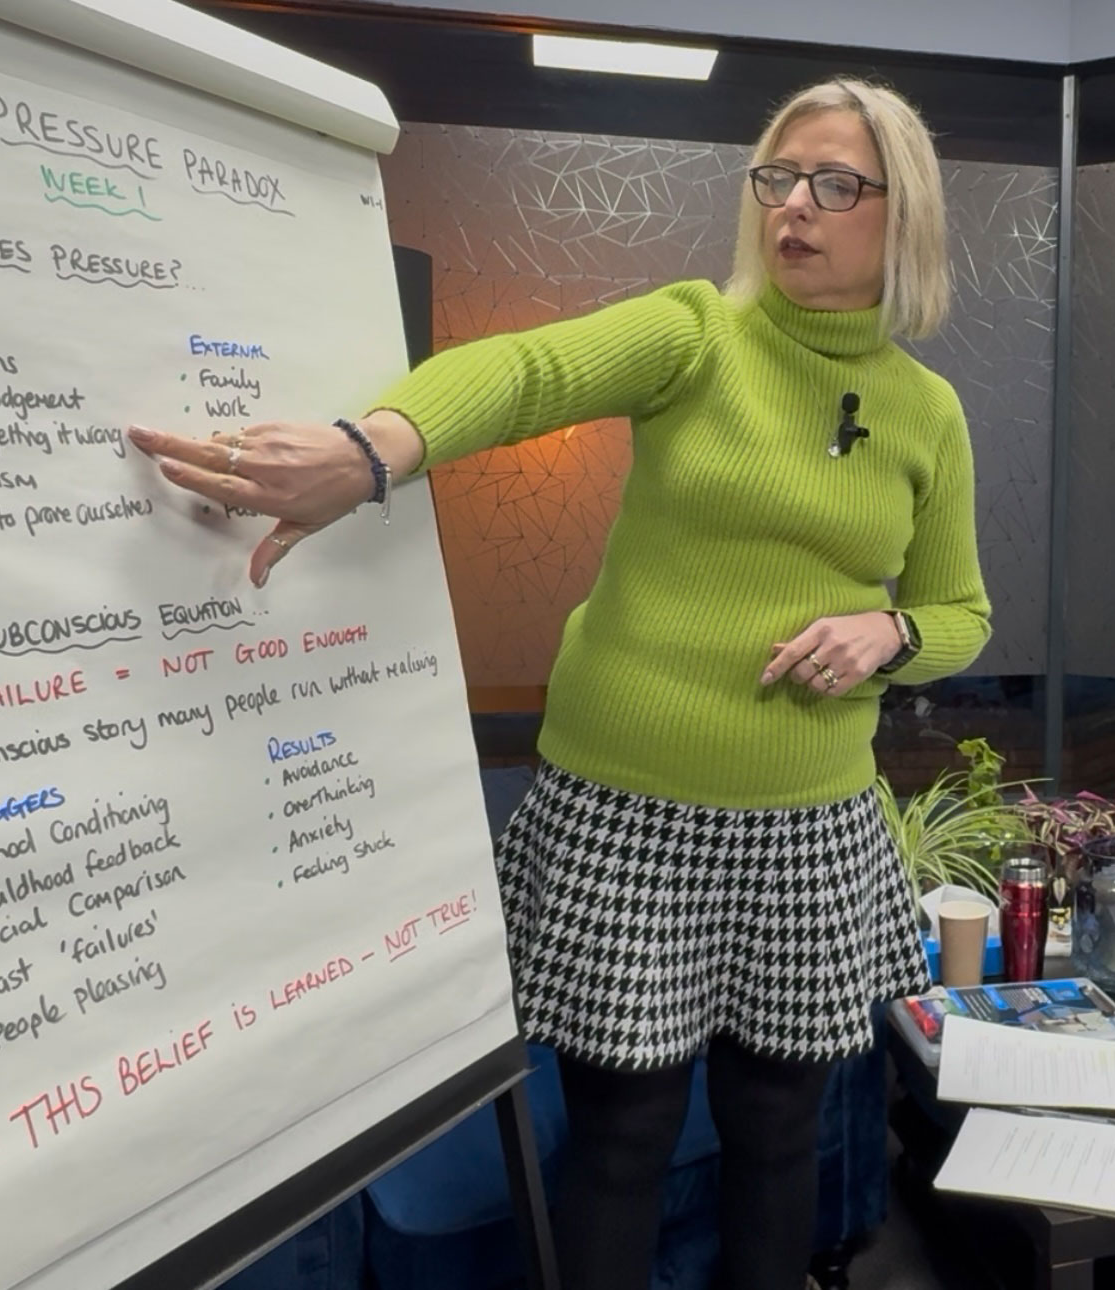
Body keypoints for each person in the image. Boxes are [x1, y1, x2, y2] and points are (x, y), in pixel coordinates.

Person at [128, 79, 988, 1290]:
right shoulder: (696, 331)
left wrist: (884, 634)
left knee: (779, 1130)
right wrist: (370, 451)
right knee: (622, 1137)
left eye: (835, 183)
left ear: (900, 214)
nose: (795, 205)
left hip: (809, 828)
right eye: (776, 176)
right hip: (623, 814)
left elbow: (960, 613)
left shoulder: (927, 412)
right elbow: (524, 373)